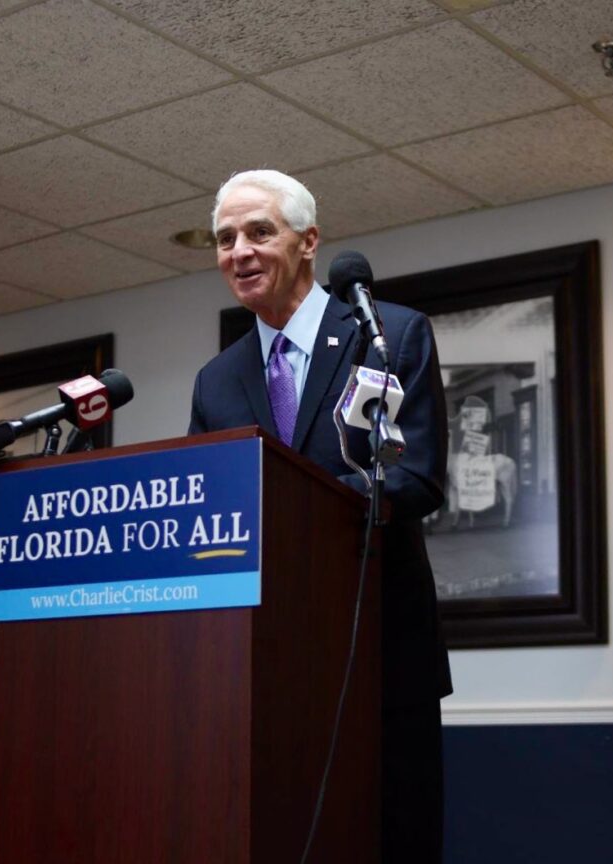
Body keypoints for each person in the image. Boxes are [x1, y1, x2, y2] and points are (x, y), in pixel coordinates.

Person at [189, 169, 452, 862]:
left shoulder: (388, 334)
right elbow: (208, 504)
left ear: (309, 242)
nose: (238, 251)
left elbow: (418, 476)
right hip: (259, 662)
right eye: (224, 239)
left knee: (389, 836)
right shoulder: (216, 380)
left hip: (378, 647)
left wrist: (308, 500)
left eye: (258, 232)